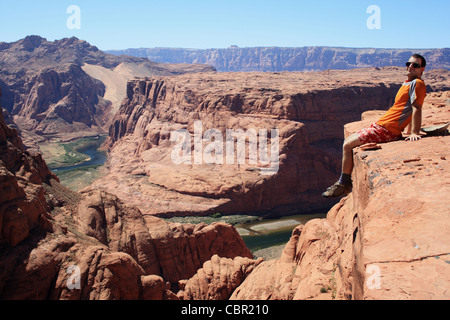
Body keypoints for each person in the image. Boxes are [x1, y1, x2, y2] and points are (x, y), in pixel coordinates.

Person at [322, 54, 427, 198]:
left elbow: (416, 108)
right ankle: (344, 182)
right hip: (381, 126)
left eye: (415, 65)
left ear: (422, 69)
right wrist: (408, 130)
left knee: (347, 145)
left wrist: (414, 132)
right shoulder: (407, 83)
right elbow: (405, 109)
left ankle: (343, 184)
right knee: (348, 141)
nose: (410, 66)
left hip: (387, 130)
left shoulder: (418, 84)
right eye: (408, 63)